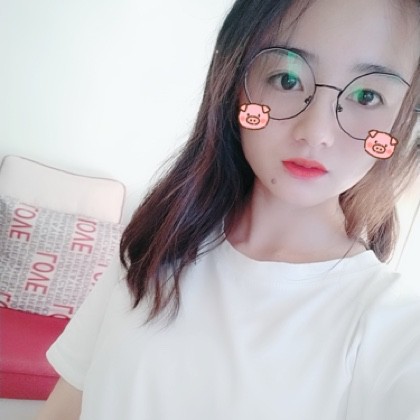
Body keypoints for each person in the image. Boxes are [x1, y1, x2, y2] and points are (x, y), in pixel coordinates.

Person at [37, 0, 420, 418]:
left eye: (367, 95)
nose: (316, 132)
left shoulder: (390, 324)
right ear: (236, 83)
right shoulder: (160, 238)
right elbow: (66, 404)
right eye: (287, 79)